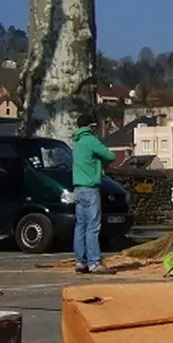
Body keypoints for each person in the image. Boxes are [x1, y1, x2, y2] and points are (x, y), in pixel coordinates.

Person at [72, 110, 116, 274]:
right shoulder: (91, 140)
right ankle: (94, 262)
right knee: (93, 226)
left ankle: (80, 261)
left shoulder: (76, 142)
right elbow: (110, 155)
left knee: (80, 226)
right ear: (91, 126)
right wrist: (102, 164)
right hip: (90, 188)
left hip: (78, 189)